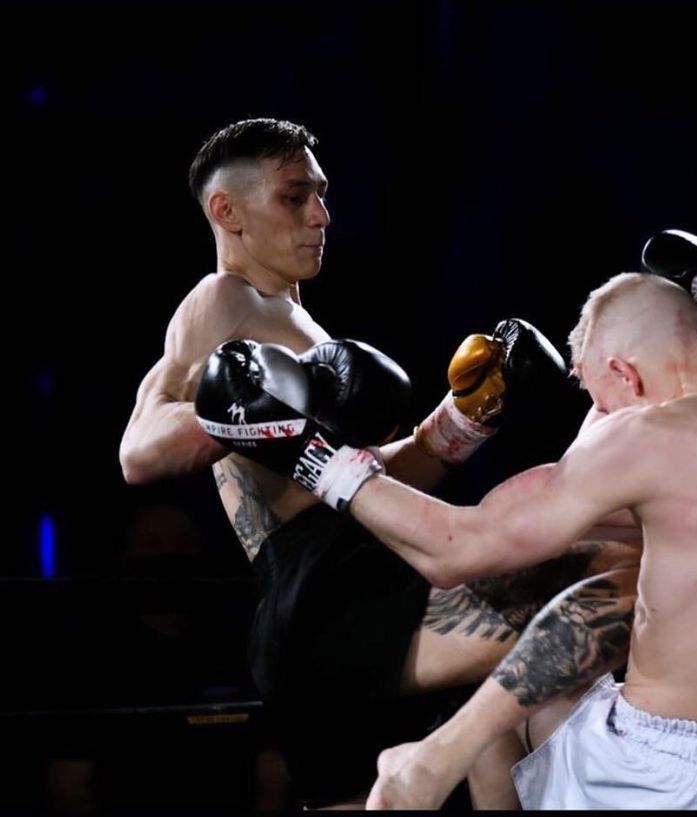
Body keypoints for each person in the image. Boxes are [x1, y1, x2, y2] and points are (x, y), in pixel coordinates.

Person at [201, 271, 697, 809]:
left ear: (625, 373)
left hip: (656, 774)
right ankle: (439, 755)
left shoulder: (652, 435)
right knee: (592, 607)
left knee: (564, 638)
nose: (598, 417)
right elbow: (650, 529)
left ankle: (430, 761)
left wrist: (309, 454)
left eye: (597, 394)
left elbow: (457, 549)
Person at [118, 117, 616, 809]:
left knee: (467, 734)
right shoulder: (223, 299)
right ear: (226, 211)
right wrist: (247, 404)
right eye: (295, 197)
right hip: (323, 595)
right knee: (595, 587)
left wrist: (466, 416)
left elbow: (358, 483)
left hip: (359, 573)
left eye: (321, 195)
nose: (320, 215)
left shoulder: (298, 323)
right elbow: (138, 452)